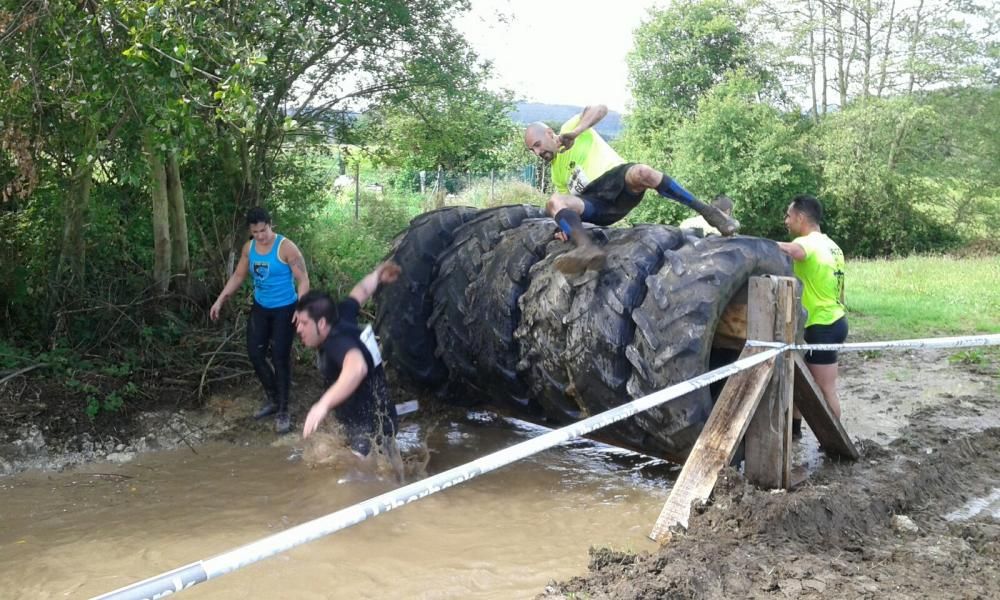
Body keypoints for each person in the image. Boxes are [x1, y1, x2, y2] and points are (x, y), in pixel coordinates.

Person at [523, 104, 740, 274]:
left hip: (618, 182)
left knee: (643, 172)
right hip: (595, 204)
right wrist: (566, 228)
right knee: (554, 201)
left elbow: (600, 108)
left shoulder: (571, 126)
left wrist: (576, 132)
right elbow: (569, 205)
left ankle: (708, 211)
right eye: (532, 149)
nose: (537, 152)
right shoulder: (555, 173)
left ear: (550, 133)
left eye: (537, 144)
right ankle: (586, 249)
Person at [295, 262, 403, 474]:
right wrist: (377, 275)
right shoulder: (341, 316)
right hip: (380, 416)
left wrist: (322, 405)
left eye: (304, 323)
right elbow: (360, 292)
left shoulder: (336, 341)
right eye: (298, 323)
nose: (298, 329)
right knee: (392, 469)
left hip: (366, 429)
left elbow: (357, 368)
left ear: (322, 324)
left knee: (362, 483)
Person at [210, 207, 310, 434]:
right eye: (255, 232)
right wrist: (220, 300)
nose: (260, 236)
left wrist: (302, 308)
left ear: (270, 224)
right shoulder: (249, 248)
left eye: (263, 230)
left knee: (280, 357)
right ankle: (273, 399)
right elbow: (238, 275)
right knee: (255, 354)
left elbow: (303, 279)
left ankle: (284, 409)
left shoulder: (286, 248)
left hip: (285, 308)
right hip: (261, 307)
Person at [777, 194, 848, 438]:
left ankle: (834, 441)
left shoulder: (809, 243)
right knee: (800, 381)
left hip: (823, 325)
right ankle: (795, 431)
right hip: (829, 320)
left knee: (825, 388)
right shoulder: (833, 246)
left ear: (800, 217)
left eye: (788, 215)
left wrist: (757, 244)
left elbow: (795, 251)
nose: (786, 221)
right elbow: (841, 289)